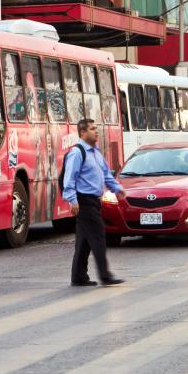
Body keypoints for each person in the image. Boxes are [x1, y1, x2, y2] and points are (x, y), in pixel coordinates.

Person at [62, 118, 126, 287]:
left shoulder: (96, 153)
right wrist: (72, 200)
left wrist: (117, 188)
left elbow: (106, 175)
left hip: (94, 201)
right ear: (82, 133)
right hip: (84, 201)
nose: (96, 131)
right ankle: (105, 275)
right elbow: (69, 179)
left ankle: (78, 276)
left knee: (83, 241)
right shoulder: (77, 153)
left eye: (96, 128)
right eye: (92, 129)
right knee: (98, 236)